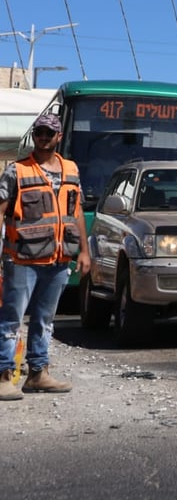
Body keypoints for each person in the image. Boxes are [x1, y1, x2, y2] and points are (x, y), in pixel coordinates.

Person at [0, 113, 91, 399]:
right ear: (34, 136)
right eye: (39, 132)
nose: (43, 137)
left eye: (48, 133)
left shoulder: (72, 171)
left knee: (44, 319)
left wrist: (85, 252)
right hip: (21, 260)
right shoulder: (16, 171)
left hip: (59, 261)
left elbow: (75, 214)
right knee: (11, 319)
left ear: (58, 137)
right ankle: (4, 376)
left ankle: (38, 374)